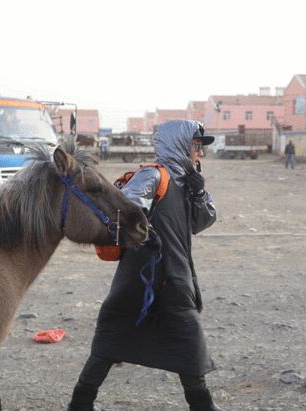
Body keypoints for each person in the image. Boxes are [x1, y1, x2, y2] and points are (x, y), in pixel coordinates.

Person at [67, 119, 223, 411]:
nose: (200, 153)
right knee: (111, 337)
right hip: (141, 277)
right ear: (179, 144)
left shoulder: (188, 183)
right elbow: (124, 210)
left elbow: (201, 223)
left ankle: (202, 406)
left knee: (189, 340)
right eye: (197, 146)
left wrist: (199, 193)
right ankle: (80, 402)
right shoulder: (154, 176)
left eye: (201, 148)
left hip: (176, 277)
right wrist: (146, 235)